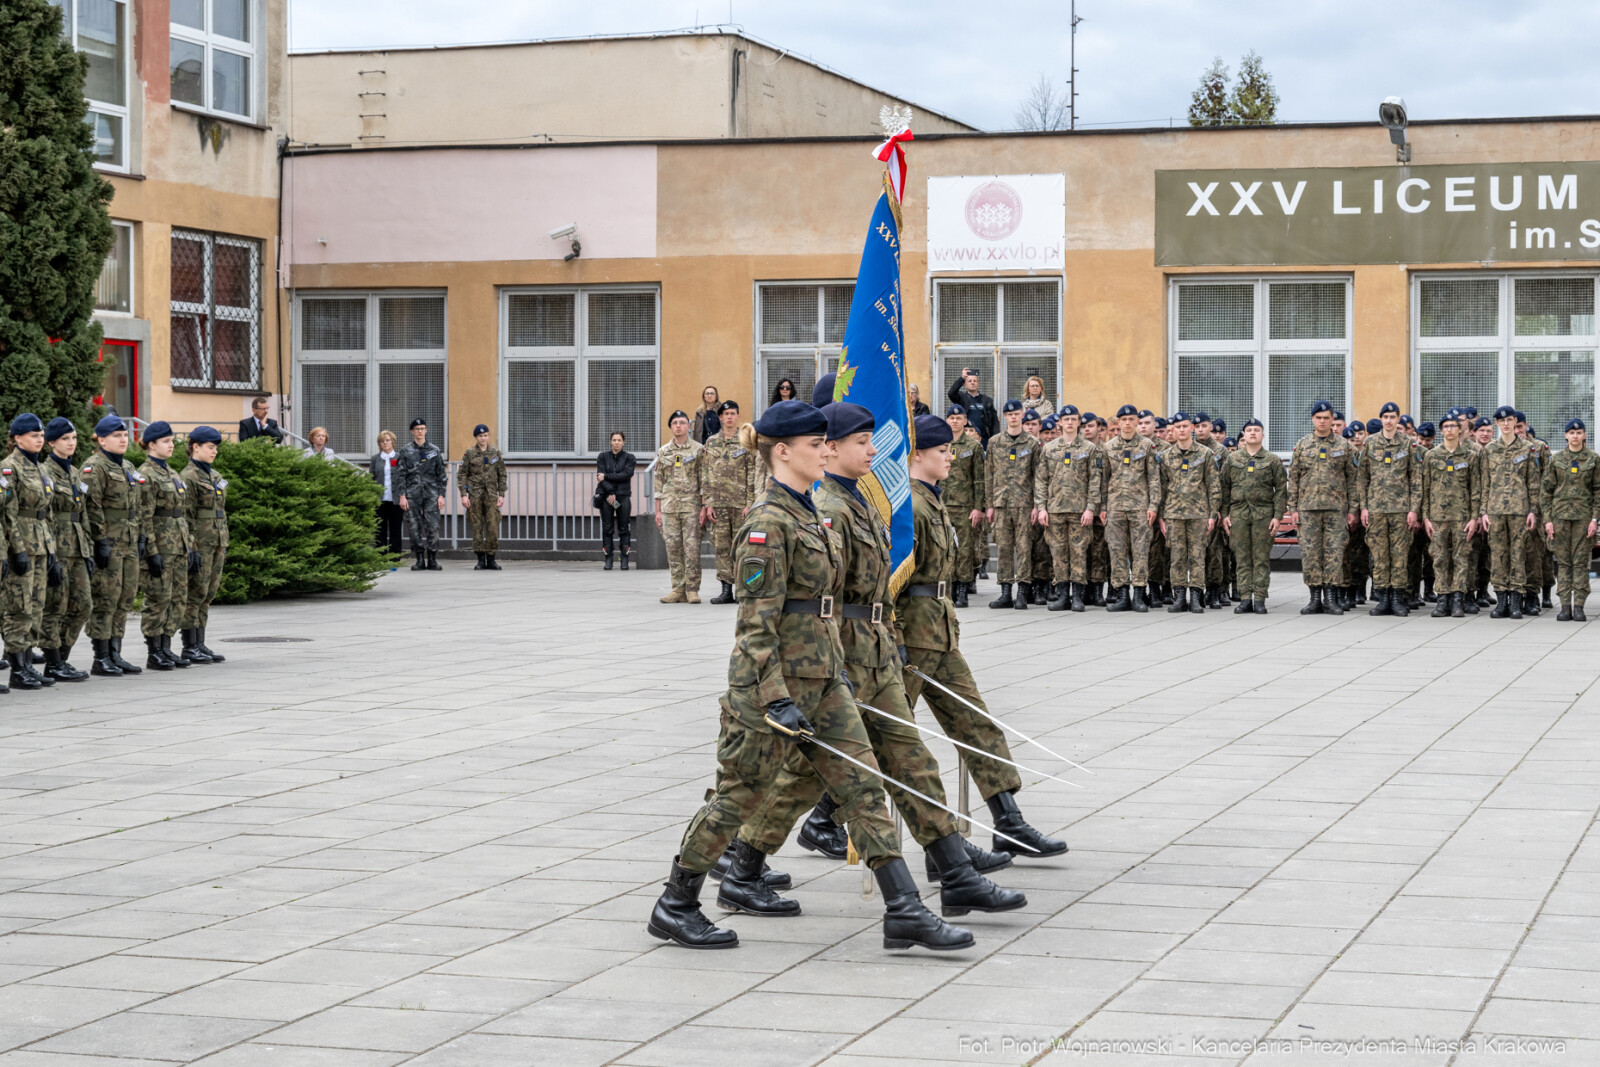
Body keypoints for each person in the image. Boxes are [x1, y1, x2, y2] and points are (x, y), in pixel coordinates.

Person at [646, 400, 971, 953]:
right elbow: (755, 627)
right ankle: (676, 903)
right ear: (783, 451)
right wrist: (773, 699)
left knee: (863, 787)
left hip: (825, 678)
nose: (825, 451)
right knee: (738, 797)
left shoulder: (811, 514)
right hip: (772, 690)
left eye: (827, 443)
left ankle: (905, 909)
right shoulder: (766, 524)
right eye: (815, 444)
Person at [721, 403, 1024, 919]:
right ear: (830, 448)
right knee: (809, 775)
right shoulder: (827, 508)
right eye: (862, 442)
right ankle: (742, 865)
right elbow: (820, 597)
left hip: (874, 649)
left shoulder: (857, 501)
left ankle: (954, 874)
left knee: (912, 760)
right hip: (837, 655)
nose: (875, 450)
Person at [899, 412, 1066, 858]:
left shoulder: (930, 500)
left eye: (951, 450)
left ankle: (1008, 820)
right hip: (909, 638)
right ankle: (800, 826)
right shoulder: (908, 507)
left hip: (937, 632)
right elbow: (888, 581)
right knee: (879, 736)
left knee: (976, 724)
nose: (950, 458)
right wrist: (892, 639)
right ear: (917, 455)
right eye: (941, 451)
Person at [2, 414, 60, 691]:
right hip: (22, 545)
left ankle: (26, 665)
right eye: (33, 435)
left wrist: (53, 551)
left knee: (36, 606)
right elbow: (8, 515)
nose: (39, 439)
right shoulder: (9, 469)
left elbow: (46, 513)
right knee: (19, 608)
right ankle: (17, 670)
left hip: (42, 544)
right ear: (16, 438)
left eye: (41, 435)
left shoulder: (40, 469)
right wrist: (17, 550)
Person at [82, 415, 143, 677]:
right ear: (102, 439)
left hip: (128, 540)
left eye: (125, 435)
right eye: (116, 436)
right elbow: (90, 506)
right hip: (109, 540)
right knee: (106, 598)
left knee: (124, 598)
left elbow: (137, 504)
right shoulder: (94, 467)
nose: (122, 439)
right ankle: (101, 656)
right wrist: (100, 542)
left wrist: (140, 536)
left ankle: (116, 653)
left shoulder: (128, 466)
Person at [1288, 401, 1357, 615]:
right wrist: (1293, 508)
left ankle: (1331, 598)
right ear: (1313, 420)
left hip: (1336, 510)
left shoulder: (1343, 446)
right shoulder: (1302, 445)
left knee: (1334, 554)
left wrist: (1353, 510)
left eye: (1326, 418)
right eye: (1319, 418)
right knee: (1310, 554)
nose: (1322, 421)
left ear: (1332, 420)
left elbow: (1353, 480)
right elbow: (1294, 478)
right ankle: (1314, 598)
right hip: (1308, 510)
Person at [136, 421, 195, 670]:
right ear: (152, 444)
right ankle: (154, 650)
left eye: (172, 441)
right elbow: (144, 516)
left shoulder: (171, 473)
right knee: (158, 598)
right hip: (160, 545)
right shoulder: (146, 474)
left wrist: (189, 544)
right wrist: (151, 551)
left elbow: (182, 513)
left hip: (178, 543)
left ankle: (166, 646)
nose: (171, 445)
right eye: (166, 441)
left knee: (178, 597)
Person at [1035, 404, 1101, 612]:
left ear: (1078, 422)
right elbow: (1041, 480)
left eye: (1073, 419)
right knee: (1058, 552)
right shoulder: (1050, 448)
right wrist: (1041, 507)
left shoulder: (1089, 449)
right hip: (1054, 509)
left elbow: (1095, 481)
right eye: (1066, 419)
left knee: (1079, 552)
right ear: (1060, 423)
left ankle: (1078, 596)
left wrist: (1091, 508)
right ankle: (1063, 595)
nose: (1070, 423)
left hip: (1079, 510)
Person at [1359, 402, 1421, 617]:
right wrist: (1364, 507)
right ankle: (1383, 597)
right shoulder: (1370, 443)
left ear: (1398, 419)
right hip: (1376, 509)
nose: (1388, 420)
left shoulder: (1408, 444)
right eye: (1385, 416)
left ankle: (1398, 598)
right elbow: (1362, 478)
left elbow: (1415, 479)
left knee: (1400, 555)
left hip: (1401, 510)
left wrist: (1414, 510)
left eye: (1392, 417)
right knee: (1379, 555)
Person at [40, 418, 91, 682]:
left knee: (83, 605)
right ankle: (53, 663)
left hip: (78, 547)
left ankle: (63, 656)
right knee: (55, 607)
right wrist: (50, 554)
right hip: (57, 547)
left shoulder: (74, 473)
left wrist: (89, 549)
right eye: (65, 439)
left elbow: (82, 514)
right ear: (51, 443)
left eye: (73, 438)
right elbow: (45, 516)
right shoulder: (45, 472)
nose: (71, 443)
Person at [1219, 417, 1286, 613]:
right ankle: (1245, 598)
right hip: (1239, 515)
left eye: (1257, 430)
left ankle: (1260, 599)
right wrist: (1225, 514)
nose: (1253, 433)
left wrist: (1278, 516)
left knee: (1261, 558)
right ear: (1244, 435)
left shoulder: (1272, 460)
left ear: (1263, 435)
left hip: (1263, 515)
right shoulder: (1233, 459)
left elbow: (1281, 489)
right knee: (1242, 558)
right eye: (1249, 430)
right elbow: (1224, 488)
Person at [1100, 404, 1161, 612]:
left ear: (1136, 421)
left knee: (1141, 551)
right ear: (1118, 423)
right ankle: (1122, 594)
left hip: (1140, 508)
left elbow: (1154, 478)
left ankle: (1139, 594)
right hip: (1115, 507)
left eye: (1131, 419)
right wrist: (1102, 506)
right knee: (1117, 551)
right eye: (1123, 420)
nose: (1127, 423)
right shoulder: (1108, 448)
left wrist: (1153, 505)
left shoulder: (1147, 446)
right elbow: (1104, 480)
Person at [1481, 405, 1539, 619]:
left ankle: (1516, 600)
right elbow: (1484, 483)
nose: (1505, 423)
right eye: (1501, 420)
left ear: (1516, 422)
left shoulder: (1527, 448)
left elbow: (1533, 482)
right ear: (1497, 423)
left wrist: (1533, 510)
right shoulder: (1489, 450)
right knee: (1498, 555)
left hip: (1519, 510)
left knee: (1518, 554)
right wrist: (1483, 512)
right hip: (1495, 510)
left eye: (1509, 420)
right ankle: (1501, 600)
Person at [1159, 413, 1220, 614]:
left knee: (1197, 556)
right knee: (1176, 556)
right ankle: (1179, 597)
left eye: (1185, 426)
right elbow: (1161, 487)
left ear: (1191, 428)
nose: (1182, 430)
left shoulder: (1204, 454)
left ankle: (1195, 596)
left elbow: (1213, 485)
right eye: (1178, 427)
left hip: (1198, 514)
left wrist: (1213, 514)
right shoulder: (1166, 456)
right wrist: (1161, 516)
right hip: (1174, 514)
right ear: (1173, 431)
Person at [1420, 413, 1478, 619]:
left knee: (1461, 559)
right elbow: (1425, 488)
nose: (1450, 429)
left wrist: (1474, 517)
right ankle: (1442, 598)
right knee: (1439, 558)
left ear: (1460, 429)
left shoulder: (1470, 456)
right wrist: (1425, 517)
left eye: (1453, 426)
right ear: (1441, 430)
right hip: (1437, 517)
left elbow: (1475, 489)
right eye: (1446, 426)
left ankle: (1457, 600)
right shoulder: (1432, 456)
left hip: (1462, 517)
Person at [1541, 418, 1599, 622]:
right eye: (1571, 433)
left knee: (1581, 562)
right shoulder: (1557, 460)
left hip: (1584, 520)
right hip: (1560, 518)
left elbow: (1598, 491)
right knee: (1564, 563)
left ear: (1584, 435)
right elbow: (1546, 491)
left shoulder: (1593, 459)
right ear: (1566, 435)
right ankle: (1565, 606)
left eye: (1579, 433)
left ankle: (1580, 606)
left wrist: (1595, 519)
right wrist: (1547, 520)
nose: (1575, 436)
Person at [701, 401, 758, 604]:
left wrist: (750, 502)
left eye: (733, 413)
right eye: (725, 414)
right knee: (722, 547)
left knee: (742, 548)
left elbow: (752, 472)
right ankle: (726, 590)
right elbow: (706, 474)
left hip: (740, 503)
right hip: (718, 505)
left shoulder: (745, 441)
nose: (729, 417)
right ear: (720, 417)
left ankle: (743, 589)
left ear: (738, 415)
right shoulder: (711, 442)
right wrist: (707, 503)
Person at [180, 426, 228, 662]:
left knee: (208, 593)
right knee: (195, 593)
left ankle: (200, 642)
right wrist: (191, 547)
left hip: (217, 540)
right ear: (195, 447)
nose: (214, 451)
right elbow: (186, 515)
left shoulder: (215, 476)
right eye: (210, 447)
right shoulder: (188, 477)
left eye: (215, 447)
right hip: (200, 542)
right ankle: (189, 645)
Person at [985, 399, 1037, 609]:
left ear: (1022, 414)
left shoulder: (1032, 443)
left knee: (1024, 548)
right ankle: (1005, 591)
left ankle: (1023, 592)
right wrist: (989, 504)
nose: (1013, 417)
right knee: (1004, 548)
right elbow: (989, 474)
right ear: (1005, 417)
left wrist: (1037, 505)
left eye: (1016, 413)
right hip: (1001, 503)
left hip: (1024, 504)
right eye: (1009, 414)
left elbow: (1038, 476)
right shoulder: (994, 442)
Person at [654, 410, 704, 603]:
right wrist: (658, 510)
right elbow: (659, 482)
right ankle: (677, 589)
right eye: (674, 422)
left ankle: (692, 589)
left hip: (691, 506)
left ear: (688, 426)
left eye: (682, 422)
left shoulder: (698, 450)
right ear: (670, 427)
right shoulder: (664, 451)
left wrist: (703, 506)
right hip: (669, 507)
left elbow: (703, 479)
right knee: (673, 549)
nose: (678, 426)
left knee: (692, 549)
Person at [942, 406, 986, 608]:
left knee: (965, 549)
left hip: (965, 505)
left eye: (958, 418)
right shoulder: (940, 444)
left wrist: (979, 507)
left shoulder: (973, 446)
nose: (954, 421)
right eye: (951, 418)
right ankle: (949, 586)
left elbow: (979, 480)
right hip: (943, 504)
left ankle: (962, 588)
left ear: (965, 420)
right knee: (945, 547)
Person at [399, 418, 446, 572]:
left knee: (433, 526)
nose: (420, 431)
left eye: (423, 428)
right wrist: (402, 495)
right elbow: (401, 475)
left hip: (431, 494)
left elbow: (441, 474)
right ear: (412, 431)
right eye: (417, 429)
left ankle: (432, 558)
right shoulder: (405, 451)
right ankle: (419, 559)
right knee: (414, 527)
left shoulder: (434, 450)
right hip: (412, 494)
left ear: (426, 430)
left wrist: (441, 495)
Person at [459, 423, 507, 571]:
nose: (483, 438)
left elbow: (502, 474)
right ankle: (480, 559)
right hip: (475, 495)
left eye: (485, 435)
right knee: (477, 527)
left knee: (493, 526)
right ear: (476, 437)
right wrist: (464, 494)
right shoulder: (469, 454)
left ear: (488, 436)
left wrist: (501, 494)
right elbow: (462, 476)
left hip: (491, 495)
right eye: (480, 436)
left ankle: (491, 558)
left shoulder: (495, 453)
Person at [595, 431, 636, 570]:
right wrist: (610, 491)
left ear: (623, 442)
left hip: (623, 496)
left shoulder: (630, 458)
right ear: (610, 442)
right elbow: (600, 478)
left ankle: (624, 559)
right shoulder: (602, 457)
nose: (616, 442)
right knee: (607, 528)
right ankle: (608, 559)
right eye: (614, 440)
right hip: (607, 497)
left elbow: (626, 475)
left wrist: (606, 476)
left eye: (619, 440)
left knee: (624, 528)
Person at [370, 431, 403, 559]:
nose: (385, 443)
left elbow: (404, 478)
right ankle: (381, 556)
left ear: (393, 442)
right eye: (382, 441)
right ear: (379, 443)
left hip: (396, 499)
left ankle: (395, 557)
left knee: (395, 529)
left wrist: (403, 495)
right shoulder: (375, 458)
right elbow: (372, 478)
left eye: (387, 440)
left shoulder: (400, 457)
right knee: (380, 529)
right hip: (380, 499)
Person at [947, 366, 998, 445]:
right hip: (965, 438)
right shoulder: (961, 398)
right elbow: (951, 393)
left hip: (983, 439)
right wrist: (962, 378)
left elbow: (994, 422)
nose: (972, 382)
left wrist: (995, 438)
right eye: (969, 381)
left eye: (975, 381)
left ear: (978, 384)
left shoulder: (987, 400)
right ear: (965, 384)